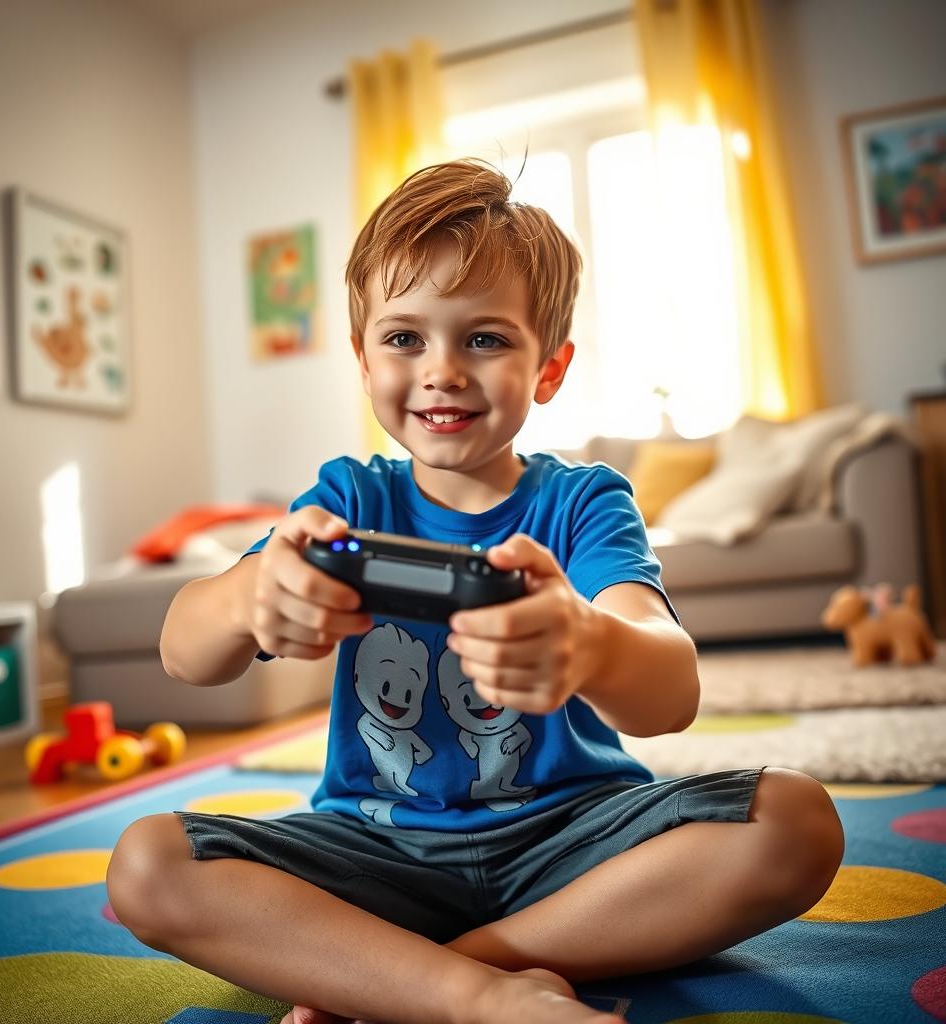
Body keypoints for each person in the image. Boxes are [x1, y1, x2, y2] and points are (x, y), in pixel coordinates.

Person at [106, 158, 844, 1024]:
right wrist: (244, 600)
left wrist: (591, 642)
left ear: (549, 369)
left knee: (796, 820)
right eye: (404, 337)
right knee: (147, 865)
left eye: (485, 339)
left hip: (574, 844)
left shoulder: (583, 501)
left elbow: (669, 694)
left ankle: (411, 979)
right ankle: (480, 997)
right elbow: (182, 652)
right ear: (362, 354)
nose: (443, 370)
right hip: (376, 851)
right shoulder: (346, 501)